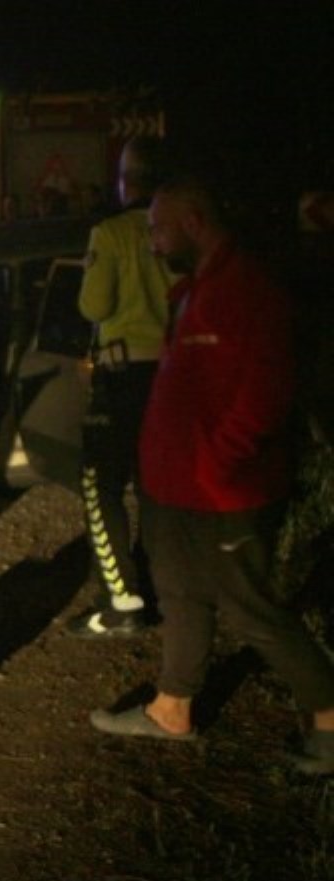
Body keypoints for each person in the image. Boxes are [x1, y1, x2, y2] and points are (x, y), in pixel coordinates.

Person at [89, 174, 334, 775]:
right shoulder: (197, 288)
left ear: (194, 221)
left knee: (250, 609)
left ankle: (331, 721)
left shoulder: (247, 289)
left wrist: (220, 458)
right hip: (180, 489)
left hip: (226, 491)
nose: (151, 243)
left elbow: (266, 392)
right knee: (180, 593)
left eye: (157, 230)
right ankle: (172, 708)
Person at [66, 136, 176, 638]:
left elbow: (94, 307)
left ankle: (123, 600)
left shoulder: (109, 234)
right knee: (155, 487)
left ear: (124, 182)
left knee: (99, 485)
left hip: (122, 376)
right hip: (172, 377)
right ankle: (161, 586)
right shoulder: (175, 230)